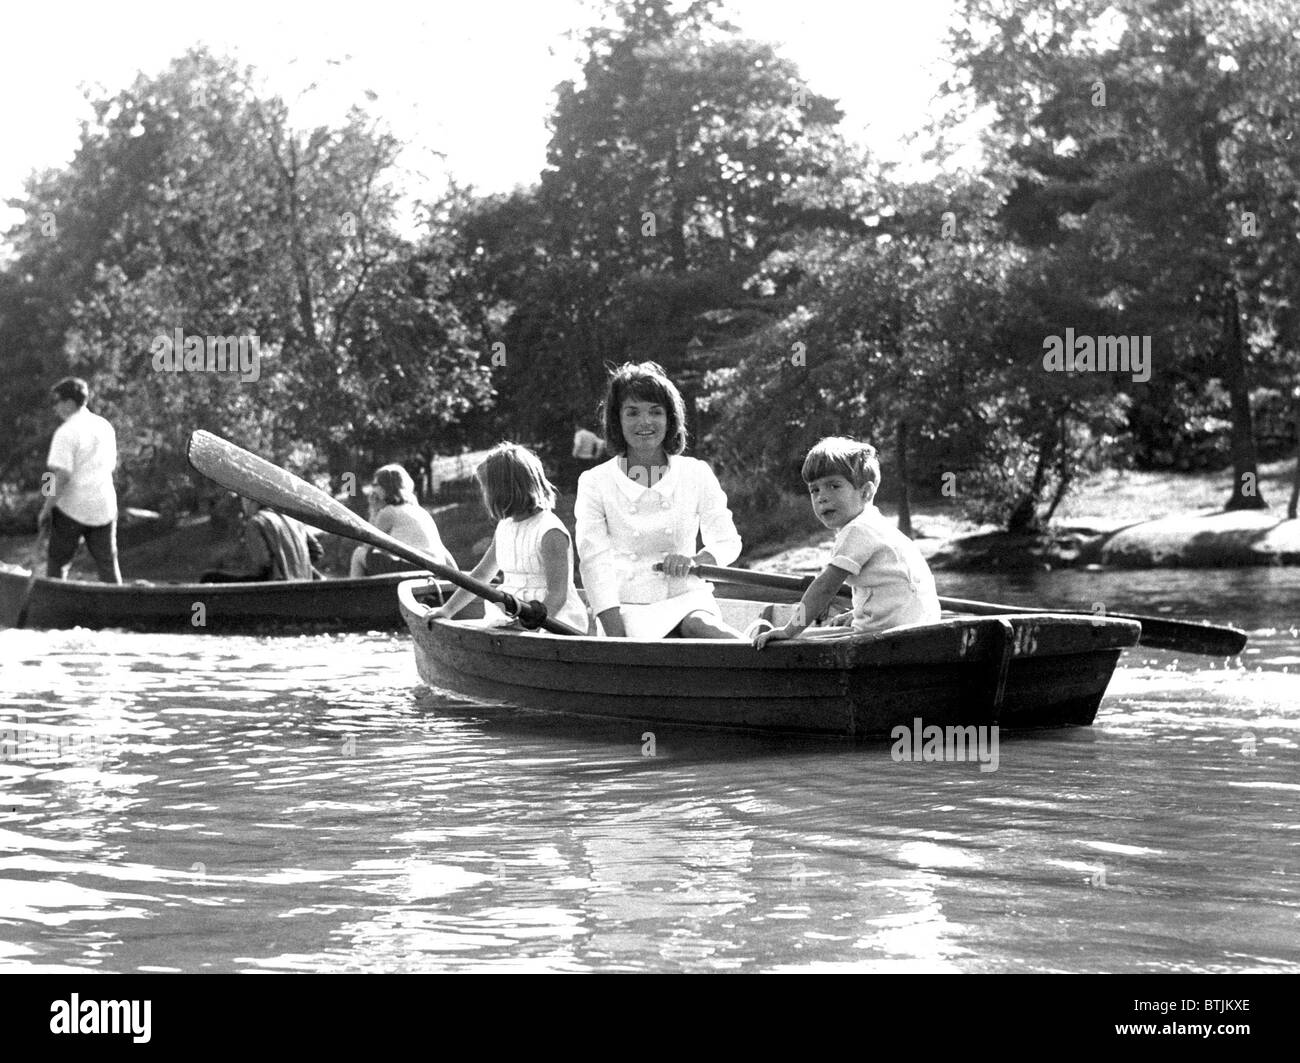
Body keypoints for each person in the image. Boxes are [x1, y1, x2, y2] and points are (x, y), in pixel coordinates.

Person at [575, 361, 744, 639]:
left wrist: (697, 560)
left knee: (700, 626)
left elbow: (728, 541)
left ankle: (761, 654)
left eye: (656, 412)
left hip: (689, 600)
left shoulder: (696, 472)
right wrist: (617, 637)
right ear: (617, 420)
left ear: (670, 419)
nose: (645, 422)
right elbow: (594, 565)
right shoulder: (595, 482)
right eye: (632, 413)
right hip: (627, 609)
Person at [753, 437, 940, 649]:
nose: (822, 497)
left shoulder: (857, 530)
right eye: (815, 489)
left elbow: (824, 587)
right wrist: (857, 613)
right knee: (827, 629)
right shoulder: (874, 523)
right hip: (916, 626)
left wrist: (790, 629)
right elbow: (889, 586)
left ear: (866, 492)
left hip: (891, 637)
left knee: (801, 639)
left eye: (834, 486)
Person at [431, 443, 588, 632]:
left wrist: (530, 629)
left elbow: (557, 594)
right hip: (510, 618)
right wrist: (447, 610)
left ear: (504, 490)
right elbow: (481, 576)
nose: (484, 496)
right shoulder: (505, 527)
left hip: (552, 621)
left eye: (486, 489)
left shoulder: (549, 532)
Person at [39, 377, 122, 583]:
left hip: (72, 509)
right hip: (104, 505)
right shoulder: (104, 426)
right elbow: (111, 466)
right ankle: (120, 609)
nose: (55, 407)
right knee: (108, 564)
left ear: (69, 403)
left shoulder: (65, 432)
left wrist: (46, 508)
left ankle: (57, 607)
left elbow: (62, 475)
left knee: (57, 563)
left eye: (57, 401)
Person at [349, 464, 454, 577]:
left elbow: (368, 545)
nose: (372, 490)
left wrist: (374, 509)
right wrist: (457, 578)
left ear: (385, 487)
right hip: (436, 568)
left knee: (358, 554)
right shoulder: (420, 511)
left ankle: (353, 594)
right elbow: (443, 550)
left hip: (413, 567)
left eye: (375, 485)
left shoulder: (389, 512)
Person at [201, 497, 323, 582]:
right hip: (302, 580)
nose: (243, 507)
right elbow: (317, 552)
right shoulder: (294, 520)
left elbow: (263, 563)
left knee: (209, 578)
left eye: (244, 500)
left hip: (277, 585)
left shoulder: (256, 522)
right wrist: (295, 563)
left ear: (251, 500)